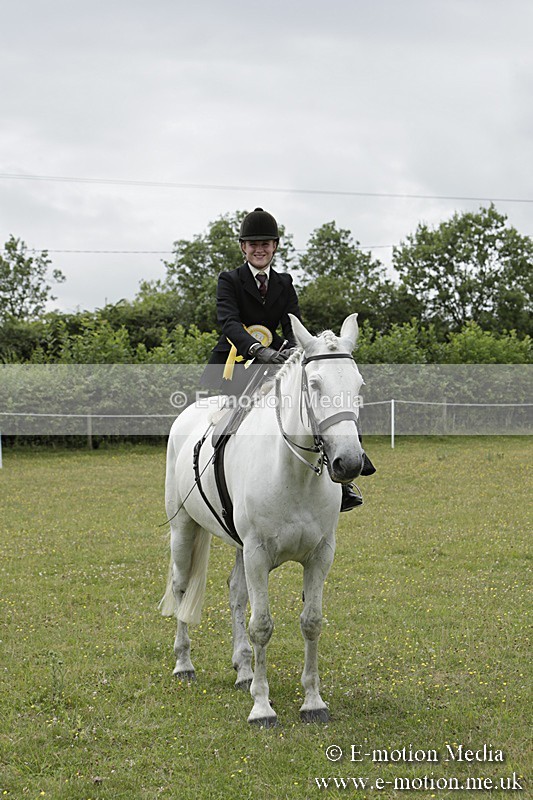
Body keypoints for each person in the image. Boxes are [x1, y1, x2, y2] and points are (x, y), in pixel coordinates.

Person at [201, 207, 373, 510]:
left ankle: (345, 480)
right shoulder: (229, 280)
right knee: (234, 419)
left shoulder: (284, 282)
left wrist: (292, 352)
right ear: (243, 247)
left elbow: (292, 325)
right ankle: (217, 472)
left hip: (278, 363)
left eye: (265, 244)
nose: (259, 249)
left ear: (275, 247)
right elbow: (229, 323)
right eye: (253, 244)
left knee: (318, 407)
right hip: (236, 364)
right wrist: (258, 350)